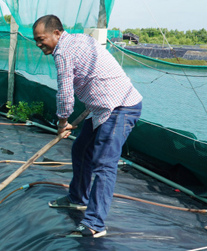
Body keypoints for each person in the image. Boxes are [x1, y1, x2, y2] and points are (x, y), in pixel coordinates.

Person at [32, 14, 142, 238]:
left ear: (56, 33)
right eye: (36, 40)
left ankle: (94, 224)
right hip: (101, 107)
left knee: (104, 164)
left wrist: (62, 122)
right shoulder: (80, 39)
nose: (38, 44)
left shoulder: (63, 52)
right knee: (81, 149)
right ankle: (77, 198)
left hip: (120, 106)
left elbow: (65, 93)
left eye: (41, 39)